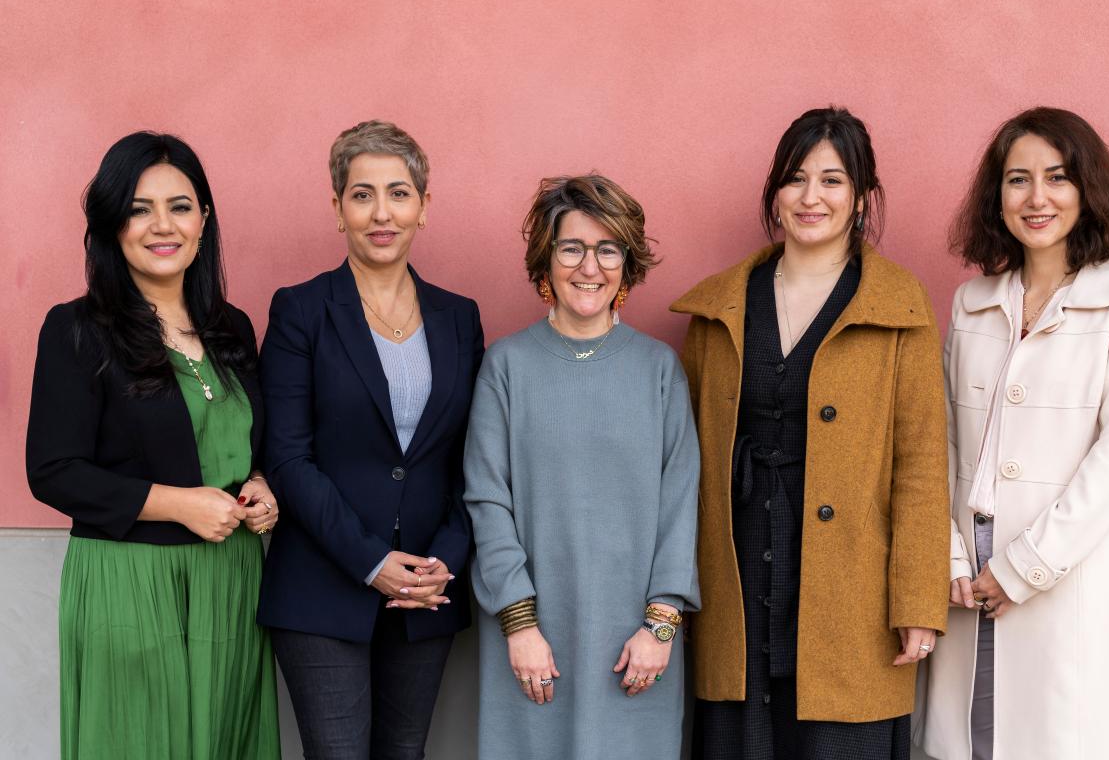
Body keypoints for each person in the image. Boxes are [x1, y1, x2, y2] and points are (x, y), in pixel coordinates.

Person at [670, 107, 948, 760]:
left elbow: (921, 465)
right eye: (796, 179)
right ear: (774, 193)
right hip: (737, 568)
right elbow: (680, 463)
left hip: (852, 581)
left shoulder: (898, 306)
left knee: (837, 741)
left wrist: (918, 600)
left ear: (860, 199)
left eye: (832, 180)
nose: (811, 197)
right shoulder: (719, 308)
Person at [917, 107, 1109, 760]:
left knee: (1060, 738)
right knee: (971, 742)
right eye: (1018, 179)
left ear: (1086, 188)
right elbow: (938, 440)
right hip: (970, 571)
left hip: (1065, 568)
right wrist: (945, 553)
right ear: (996, 196)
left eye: (1057, 177)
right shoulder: (973, 300)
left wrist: (1026, 566)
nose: (1037, 197)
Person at [27, 132, 281, 760]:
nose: (161, 226)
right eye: (140, 208)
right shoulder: (78, 329)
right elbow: (54, 471)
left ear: (204, 220)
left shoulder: (232, 327)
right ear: (112, 223)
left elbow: (243, 443)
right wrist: (178, 504)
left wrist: (261, 484)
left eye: (180, 206)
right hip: (129, 585)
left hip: (231, 583)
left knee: (226, 741)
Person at [256, 120, 483, 759]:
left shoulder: (458, 317)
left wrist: (446, 558)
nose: (381, 213)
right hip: (323, 589)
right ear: (338, 209)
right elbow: (288, 457)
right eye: (362, 195)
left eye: (398, 193)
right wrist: (371, 563)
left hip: (427, 591)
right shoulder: (300, 310)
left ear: (424, 206)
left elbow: (475, 457)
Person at [463, 174, 700, 760]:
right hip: (532, 641)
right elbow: (487, 499)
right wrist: (518, 623)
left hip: (637, 645)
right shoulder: (506, 366)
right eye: (571, 247)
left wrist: (661, 626)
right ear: (546, 259)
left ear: (627, 263)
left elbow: (681, 502)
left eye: (607, 249)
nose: (588, 267)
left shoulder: (660, 370)